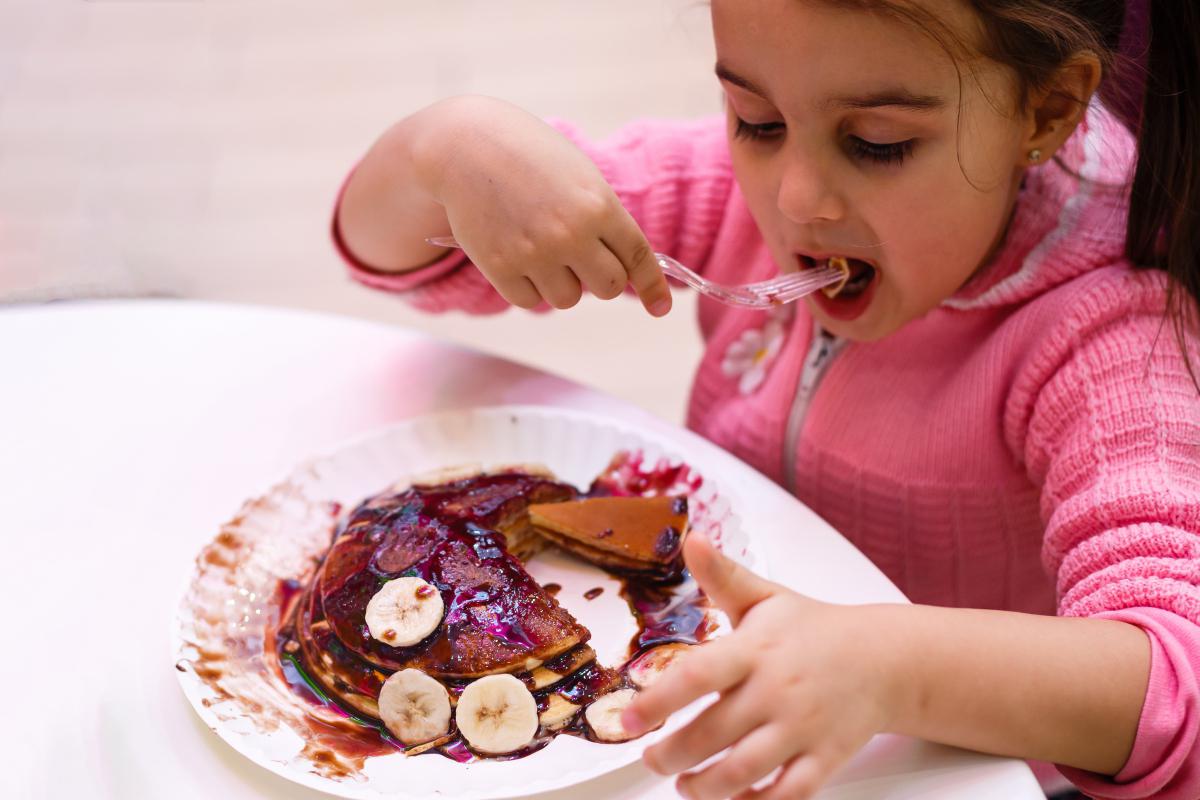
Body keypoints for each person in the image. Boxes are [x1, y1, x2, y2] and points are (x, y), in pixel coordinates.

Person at [331, 1, 1200, 797]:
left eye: (879, 142)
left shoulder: (1108, 342)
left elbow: (1171, 683)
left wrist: (893, 666)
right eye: (758, 120)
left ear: (1047, 113)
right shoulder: (723, 189)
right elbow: (405, 252)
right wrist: (443, 150)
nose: (796, 199)